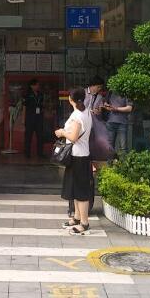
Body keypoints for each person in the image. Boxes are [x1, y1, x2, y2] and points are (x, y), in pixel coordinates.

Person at [56, 88, 93, 235]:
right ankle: (77, 218)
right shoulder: (86, 112)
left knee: (81, 191)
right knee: (76, 188)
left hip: (78, 157)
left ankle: (84, 222)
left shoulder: (78, 115)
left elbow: (73, 137)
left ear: (70, 99)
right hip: (80, 155)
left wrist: (62, 132)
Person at [22, 79, 46, 159]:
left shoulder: (40, 94)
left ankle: (40, 153)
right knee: (28, 136)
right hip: (30, 118)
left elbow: (42, 105)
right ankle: (27, 153)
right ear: (32, 86)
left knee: (40, 136)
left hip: (39, 118)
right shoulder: (27, 94)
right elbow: (24, 107)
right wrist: (23, 119)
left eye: (38, 85)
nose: (38, 86)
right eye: (36, 85)